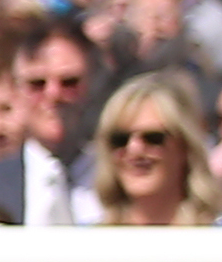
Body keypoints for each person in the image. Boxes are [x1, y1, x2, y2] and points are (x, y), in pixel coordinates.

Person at [0, 22, 99, 224]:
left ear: (93, 84)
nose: (53, 94)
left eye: (69, 82)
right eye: (37, 84)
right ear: (17, 91)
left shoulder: (131, 181)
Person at [84, 70, 219, 225]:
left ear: (185, 146)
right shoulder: (85, 243)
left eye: (153, 138)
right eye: (120, 140)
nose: (134, 150)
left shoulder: (214, 241)